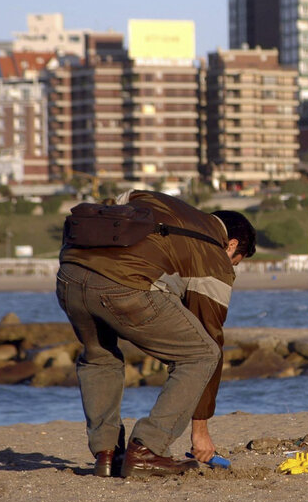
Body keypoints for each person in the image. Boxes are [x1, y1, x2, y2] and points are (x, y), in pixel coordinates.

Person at [57, 190, 256, 478]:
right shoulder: (214, 255)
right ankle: (147, 449)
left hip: (70, 275)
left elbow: (122, 198)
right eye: (235, 262)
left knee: (99, 354)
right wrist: (200, 431)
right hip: (123, 287)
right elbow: (210, 337)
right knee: (202, 355)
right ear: (232, 245)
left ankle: (107, 453)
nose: (232, 268)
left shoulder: (163, 203)